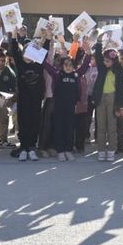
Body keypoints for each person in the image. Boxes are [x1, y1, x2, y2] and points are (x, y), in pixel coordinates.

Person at [43, 33, 91, 161]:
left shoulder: (76, 74)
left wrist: (88, 52)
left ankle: (68, 149)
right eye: (66, 65)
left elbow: (85, 65)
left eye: (70, 65)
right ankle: (60, 150)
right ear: (63, 66)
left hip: (71, 106)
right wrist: (40, 52)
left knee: (69, 128)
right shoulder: (58, 74)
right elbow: (47, 65)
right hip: (59, 106)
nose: (68, 67)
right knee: (59, 127)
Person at [10, 28, 45, 162]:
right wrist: (14, 34)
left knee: (34, 123)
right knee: (23, 123)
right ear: (24, 52)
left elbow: (45, 48)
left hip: (36, 99)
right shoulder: (20, 63)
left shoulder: (39, 64)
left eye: (32, 52)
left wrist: (46, 37)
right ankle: (24, 148)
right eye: (27, 52)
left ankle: (31, 148)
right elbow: (14, 49)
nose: (29, 55)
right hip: (23, 99)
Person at [92, 40, 123, 162]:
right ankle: (101, 150)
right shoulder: (102, 69)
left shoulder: (120, 72)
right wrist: (99, 42)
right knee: (101, 125)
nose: (104, 62)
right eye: (104, 60)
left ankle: (112, 150)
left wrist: (122, 106)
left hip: (113, 99)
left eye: (107, 61)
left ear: (113, 61)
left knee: (112, 126)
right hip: (101, 98)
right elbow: (97, 56)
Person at [0, 49, 16, 148]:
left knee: (3, 119)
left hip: (4, 97)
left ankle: (3, 139)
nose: (1, 63)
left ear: (6, 60)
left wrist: (10, 99)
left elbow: (13, 87)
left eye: (3, 61)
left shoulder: (9, 71)